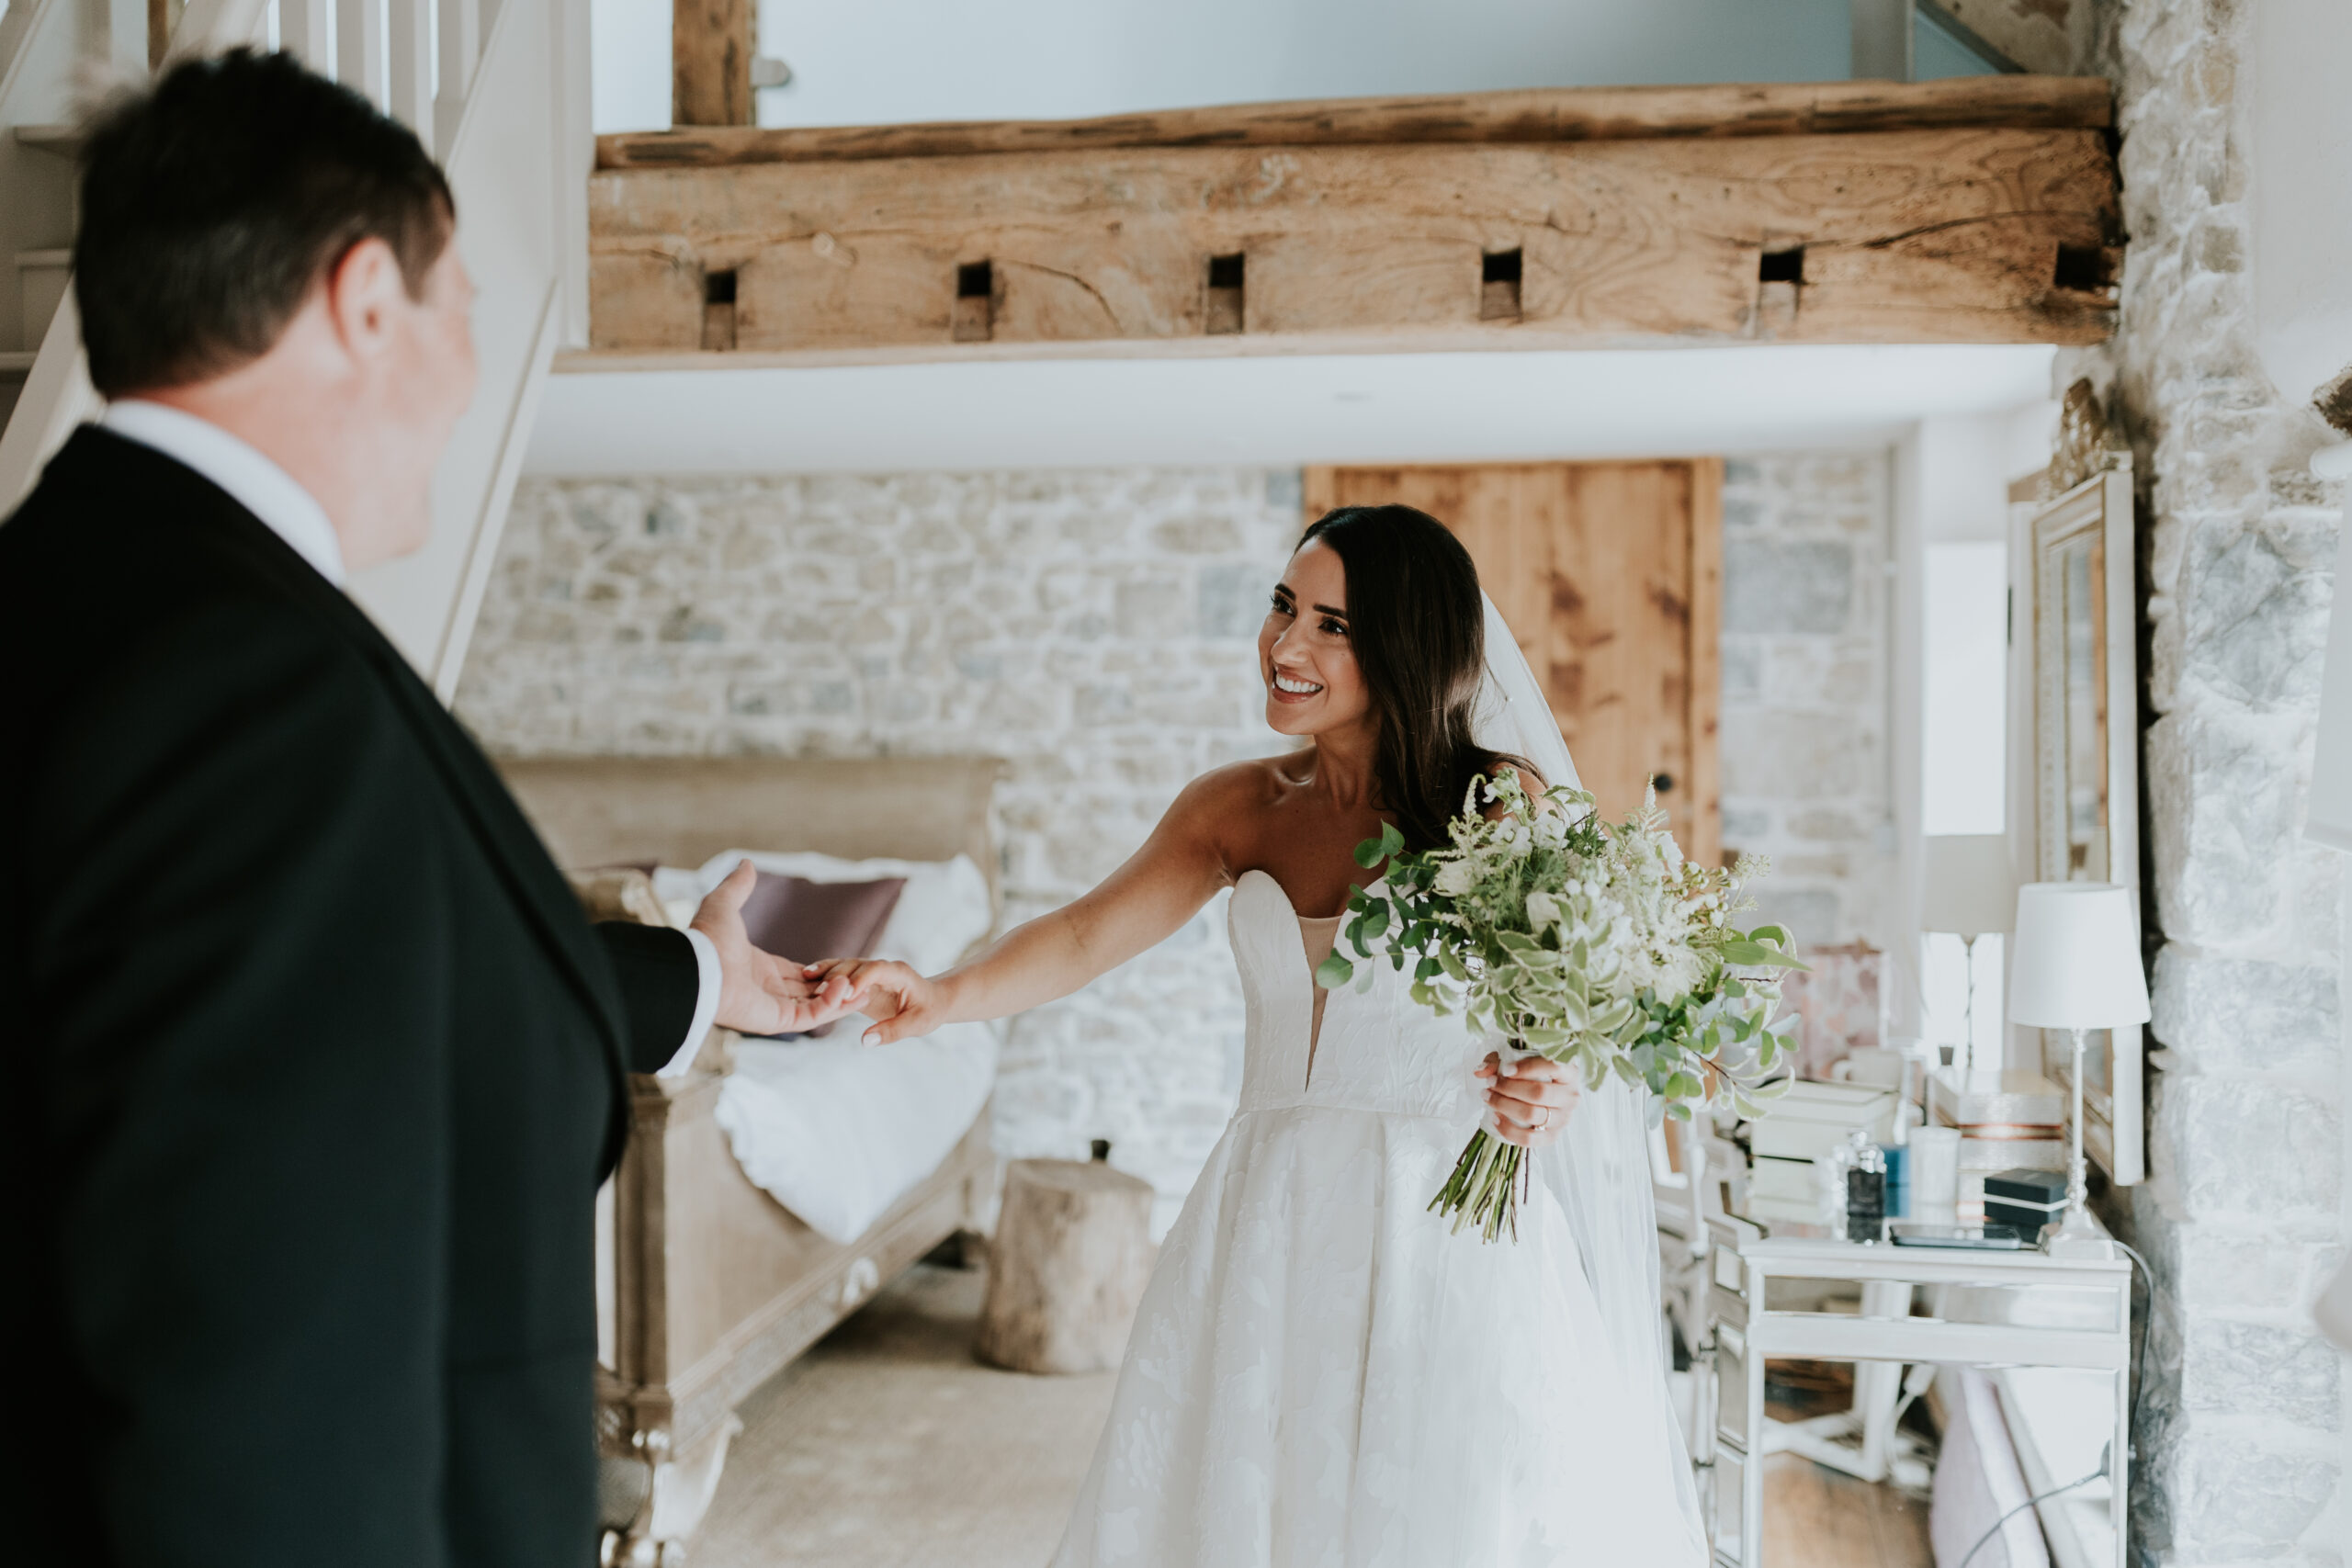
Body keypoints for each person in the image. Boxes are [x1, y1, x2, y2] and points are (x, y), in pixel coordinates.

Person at [0, 51, 854, 1567]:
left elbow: (355, 996)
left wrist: (705, 976)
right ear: (364, 299)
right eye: (463, 305)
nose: (469, 364)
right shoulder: (245, 693)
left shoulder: (93, 596)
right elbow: (256, 1356)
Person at [813, 504, 1708, 1564]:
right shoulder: (1235, 808)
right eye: (1285, 607)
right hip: (1268, 1212)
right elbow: (1088, 931)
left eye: (1332, 624)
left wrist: (1548, 1082)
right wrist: (943, 993)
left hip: (1443, 1230)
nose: (1286, 646)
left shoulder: (1496, 804)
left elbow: (1563, 1014)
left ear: (1406, 644)